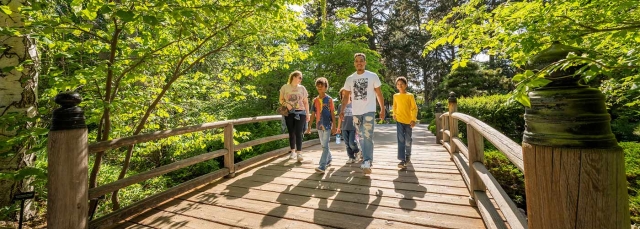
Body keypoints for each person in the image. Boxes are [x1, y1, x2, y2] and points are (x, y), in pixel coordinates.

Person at [339, 53, 385, 174]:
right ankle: (366, 159)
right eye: (357, 61)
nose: (359, 63)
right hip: (356, 113)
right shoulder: (350, 79)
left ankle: (367, 161)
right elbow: (346, 97)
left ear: (365, 62)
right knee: (361, 137)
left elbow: (379, 94)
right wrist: (342, 110)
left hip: (369, 110)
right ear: (354, 63)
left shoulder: (372, 76)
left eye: (361, 61)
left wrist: (382, 109)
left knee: (368, 135)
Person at [307, 77, 336, 173]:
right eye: (318, 86)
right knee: (324, 144)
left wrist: (334, 126)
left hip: (327, 125)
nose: (319, 87)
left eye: (322, 86)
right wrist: (309, 126)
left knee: (325, 145)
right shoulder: (315, 100)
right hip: (319, 125)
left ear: (326, 87)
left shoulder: (329, 100)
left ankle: (322, 165)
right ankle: (329, 158)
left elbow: (332, 113)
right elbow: (313, 114)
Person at [279, 70, 310, 162]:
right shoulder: (285, 87)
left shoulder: (302, 88)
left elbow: (306, 102)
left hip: (301, 112)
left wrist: (307, 114)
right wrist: (286, 104)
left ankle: (299, 153)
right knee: (291, 132)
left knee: (299, 132)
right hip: (289, 113)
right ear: (294, 77)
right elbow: (280, 100)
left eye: (301, 78)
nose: (301, 79)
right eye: (299, 77)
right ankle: (292, 151)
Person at [392, 76, 418, 169]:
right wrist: (394, 114)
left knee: (407, 140)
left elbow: (414, 108)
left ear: (406, 85)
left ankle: (408, 155)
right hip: (399, 120)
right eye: (398, 84)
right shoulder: (395, 96)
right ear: (397, 86)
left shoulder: (410, 96)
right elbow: (394, 107)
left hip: (408, 121)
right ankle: (402, 159)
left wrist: (413, 119)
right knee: (400, 139)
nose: (400, 86)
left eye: (402, 84)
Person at [336, 88, 361, 164]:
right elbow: (340, 118)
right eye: (342, 94)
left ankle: (358, 151)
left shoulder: (354, 105)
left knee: (352, 143)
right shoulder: (341, 106)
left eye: (346, 94)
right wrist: (338, 128)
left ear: (350, 95)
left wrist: (358, 127)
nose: (344, 96)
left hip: (353, 127)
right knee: (347, 144)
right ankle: (351, 157)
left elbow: (357, 117)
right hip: (344, 127)